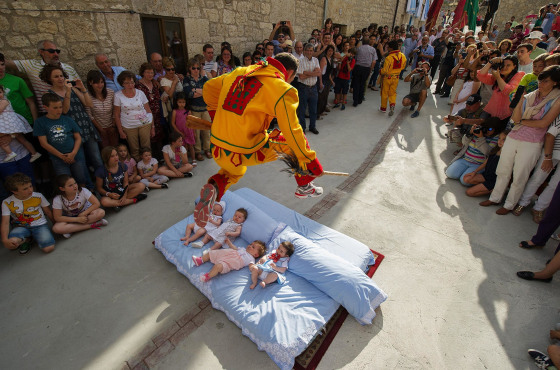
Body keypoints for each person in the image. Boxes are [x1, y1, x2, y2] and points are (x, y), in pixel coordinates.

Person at [194, 53, 324, 229]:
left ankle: (215, 188)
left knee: (234, 172)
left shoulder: (240, 72)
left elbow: (209, 87)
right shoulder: (281, 89)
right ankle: (304, 185)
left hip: (217, 146)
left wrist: (215, 115)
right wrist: (310, 160)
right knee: (291, 144)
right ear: (290, 72)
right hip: (245, 150)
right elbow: (293, 131)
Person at [480, 66, 560, 215]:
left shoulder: (557, 99)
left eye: (546, 81)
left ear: (555, 83)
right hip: (514, 136)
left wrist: (521, 121)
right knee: (503, 170)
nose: (541, 83)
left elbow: (543, 123)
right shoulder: (531, 95)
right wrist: (520, 102)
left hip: (532, 141)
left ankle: (510, 204)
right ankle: (495, 197)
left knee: (519, 175)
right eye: (540, 80)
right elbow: (515, 118)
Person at [40, 64, 103, 173]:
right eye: (56, 76)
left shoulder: (73, 89)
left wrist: (83, 88)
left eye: (61, 75)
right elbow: (64, 110)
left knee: (96, 157)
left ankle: (103, 181)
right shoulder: (49, 94)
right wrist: (68, 92)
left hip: (85, 125)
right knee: (81, 161)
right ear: (49, 79)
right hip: (70, 130)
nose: (60, 78)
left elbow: (89, 103)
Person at [33, 93, 92, 189]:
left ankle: (83, 197)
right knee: (64, 181)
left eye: (60, 107)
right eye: (55, 108)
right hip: (58, 158)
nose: (59, 110)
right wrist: (61, 156)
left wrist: (73, 153)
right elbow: (43, 143)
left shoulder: (67, 119)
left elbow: (78, 137)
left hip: (76, 155)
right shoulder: (40, 122)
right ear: (46, 107)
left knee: (81, 178)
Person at [6, 40, 80, 113]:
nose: (56, 54)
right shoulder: (32, 66)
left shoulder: (69, 69)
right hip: (49, 113)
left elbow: (80, 90)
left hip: (76, 110)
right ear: (41, 52)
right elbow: (6, 63)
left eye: (57, 51)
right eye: (51, 51)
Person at [514, 109, 560, 222]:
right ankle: (523, 202)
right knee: (538, 178)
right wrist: (548, 157)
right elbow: (550, 135)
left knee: (555, 185)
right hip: (552, 152)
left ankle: (539, 208)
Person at [1, 172, 54, 254]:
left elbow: (48, 211)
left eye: (30, 186)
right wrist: (4, 240)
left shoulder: (38, 196)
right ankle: (27, 240)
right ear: (14, 191)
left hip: (39, 225)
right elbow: (5, 222)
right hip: (22, 226)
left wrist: (55, 224)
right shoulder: (6, 202)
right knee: (12, 241)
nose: (30, 190)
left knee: (48, 248)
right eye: (25, 189)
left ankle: (31, 238)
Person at [445, 117, 502, 185]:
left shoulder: (496, 138)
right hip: (465, 159)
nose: (487, 131)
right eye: (486, 127)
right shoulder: (478, 131)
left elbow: (487, 152)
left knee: (464, 181)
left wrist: (481, 138)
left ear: (496, 130)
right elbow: (464, 142)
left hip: (478, 164)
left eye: (490, 129)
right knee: (450, 174)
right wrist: (470, 133)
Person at [114, 70, 154, 161]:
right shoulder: (118, 96)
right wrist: (120, 131)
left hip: (144, 123)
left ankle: (148, 166)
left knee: (146, 147)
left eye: (132, 82)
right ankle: (138, 168)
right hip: (129, 125)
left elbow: (148, 110)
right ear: (122, 84)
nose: (130, 85)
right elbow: (116, 115)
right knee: (134, 149)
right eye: (127, 83)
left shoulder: (140, 93)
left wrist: (153, 126)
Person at [51, 174, 107, 239]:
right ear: (62, 188)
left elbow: (96, 203)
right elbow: (57, 217)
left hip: (85, 214)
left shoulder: (83, 191)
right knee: (56, 228)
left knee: (100, 213)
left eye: (75, 183)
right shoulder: (58, 199)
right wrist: (77, 219)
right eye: (70, 185)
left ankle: (72, 229)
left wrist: (83, 213)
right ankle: (93, 225)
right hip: (70, 218)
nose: (75, 186)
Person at [95, 146, 147, 211]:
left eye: (116, 155)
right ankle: (134, 199)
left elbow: (126, 182)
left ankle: (117, 204)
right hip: (110, 195)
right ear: (106, 158)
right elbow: (99, 188)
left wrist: (124, 195)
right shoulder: (100, 171)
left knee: (141, 185)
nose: (116, 157)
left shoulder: (122, 166)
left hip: (123, 191)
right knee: (104, 202)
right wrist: (109, 194)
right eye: (112, 156)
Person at [192, 239, 267, 283]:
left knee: (218, 267)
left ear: (256, 255)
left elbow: (251, 266)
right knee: (212, 253)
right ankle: (200, 260)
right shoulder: (242, 249)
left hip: (228, 263)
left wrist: (254, 268)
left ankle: (208, 276)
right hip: (225, 254)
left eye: (253, 247)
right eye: (251, 244)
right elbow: (234, 248)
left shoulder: (251, 259)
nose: (250, 246)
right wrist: (229, 243)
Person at [476, 55, 525, 122]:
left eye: (508, 65)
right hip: (491, 111)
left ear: (514, 67)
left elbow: (508, 91)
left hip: (506, 115)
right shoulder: (499, 76)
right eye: (503, 65)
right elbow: (481, 76)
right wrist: (491, 62)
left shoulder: (519, 75)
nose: (504, 67)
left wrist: (498, 78)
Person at [0, 85, 41, 163]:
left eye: (0, 92)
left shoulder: (4, 101)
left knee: (3, 139)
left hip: (10, 123)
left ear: (3, 93)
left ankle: (10, 153)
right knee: (22, 139)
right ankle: (34, 153)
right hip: (9, 124)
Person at [463, 131, 507, 197]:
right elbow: (485, 163)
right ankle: (483, 186)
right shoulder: (495, 150)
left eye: (504, 139)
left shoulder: (507, 155)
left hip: (493, 180)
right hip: (486, 175)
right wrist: (475, 172)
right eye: (499, 138)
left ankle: (493, 190)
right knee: (466, 178)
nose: (500, 141)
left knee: (469, 192)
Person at [183, 58, 211, 162]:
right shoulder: (186, 80)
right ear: (190, 68)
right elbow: (188, 94)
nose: (196, 70)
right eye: (193, 68)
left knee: (207, 131)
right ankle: (198, 152)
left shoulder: (204, 79)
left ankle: (207, 149)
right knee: (197, 132)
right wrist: (201, 91)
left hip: (205, 109)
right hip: (194, 110)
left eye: (198, 68)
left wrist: (194, 90)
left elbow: (208, 91)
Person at [135, 63, 164, 160]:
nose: (150, 74)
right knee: (149, 137)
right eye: (147, 72)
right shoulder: (138, 86)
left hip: (157, 114)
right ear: (142, 73)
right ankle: (149, 159)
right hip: (145, 115)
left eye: (152, 72)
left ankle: (159, 158)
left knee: (158, 135)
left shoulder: (155, 84)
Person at [0, 53, 38, 127]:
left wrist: (36, 122)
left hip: (25, 121)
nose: (0, 68)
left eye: (2, 64)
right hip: (5, 125)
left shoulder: (17, 80)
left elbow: (31, 102)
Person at [85, 70, 118, 148]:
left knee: (115, 147)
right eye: (96, 83)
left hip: (112, 127)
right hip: (99, 128)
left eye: (101, 82)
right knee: (105, 149)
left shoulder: (110, 92)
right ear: (90, 83)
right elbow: (89, 115)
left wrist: (113, 126)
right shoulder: (87, 96)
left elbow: (114, 109)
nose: (100, 85)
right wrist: (101, 129)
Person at [297, 44, 321, 134]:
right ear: (305, 51)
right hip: (303, 88)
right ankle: (302, 128)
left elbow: (318, 73)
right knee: (302, 110)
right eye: (308, 50)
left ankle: (312, 127)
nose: (309, 52)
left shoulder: (316, 60)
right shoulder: (300, 61)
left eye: (311, 50)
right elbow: (301, 77)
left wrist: (307, 73)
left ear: (313, 51)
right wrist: (313, 73)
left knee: (313, 110)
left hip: (313, 88)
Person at [379, 40, 406, 116]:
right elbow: (403, 66)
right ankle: (392, 105)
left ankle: (383, 108)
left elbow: (385, 70)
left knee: (384, 92)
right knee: (392, 93)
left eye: (388, 47)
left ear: (391, 48)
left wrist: (380, 71)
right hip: (396, 77)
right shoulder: (402, 56)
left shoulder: (389, 57)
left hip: (387, 78)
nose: (387, 48)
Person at [170, 92, 195, 165]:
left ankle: (193, 160)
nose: (182, 104)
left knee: (191, 145)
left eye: (183, 102)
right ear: (176, 102)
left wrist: (193, 132)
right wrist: (179, 133)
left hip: (188, 131)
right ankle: (184, 160)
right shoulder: (175, 111)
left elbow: (192, 122)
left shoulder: (188, 111)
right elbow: (173, 123)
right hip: (179, 132)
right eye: (180, 102)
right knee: (182, 146)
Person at [352, 35, 378, 107]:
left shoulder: (359, 49)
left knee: (356, 84)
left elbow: (356, 58)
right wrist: (370, 69)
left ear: (362, 42)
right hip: (366, 68)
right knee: (362, 84)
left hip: (358, 67)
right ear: (369, 42)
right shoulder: (373, 49)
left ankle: (355, 100)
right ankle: (360, 99)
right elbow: (374, 61)